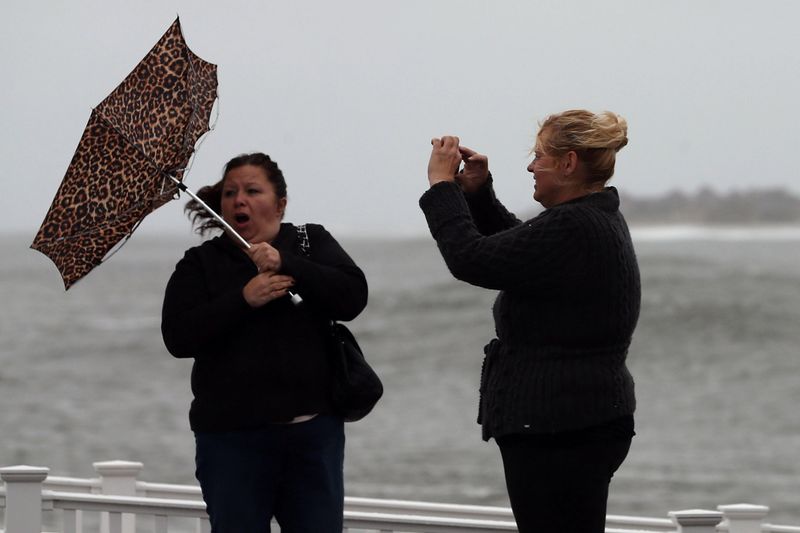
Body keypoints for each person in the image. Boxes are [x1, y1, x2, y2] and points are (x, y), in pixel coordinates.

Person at [419, 110, 640, 533]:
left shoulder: (575, 225)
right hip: (584, 420)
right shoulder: (590, 217)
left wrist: (442, 187)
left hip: (559, 428)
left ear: (569, 163)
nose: (530, 166)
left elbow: (471, 258)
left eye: (539, 156)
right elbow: (524, 253)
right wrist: (478, 194)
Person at [161, 152, 368, 532]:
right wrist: (244, 299)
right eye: (230, 192)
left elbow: (353, 297)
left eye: (252, 190)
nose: (239, 199)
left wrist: (288, 264)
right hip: (230, 441)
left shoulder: (310, 241)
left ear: (280, 204)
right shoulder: (200, 263)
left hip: (311, 435)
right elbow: (177, 336)